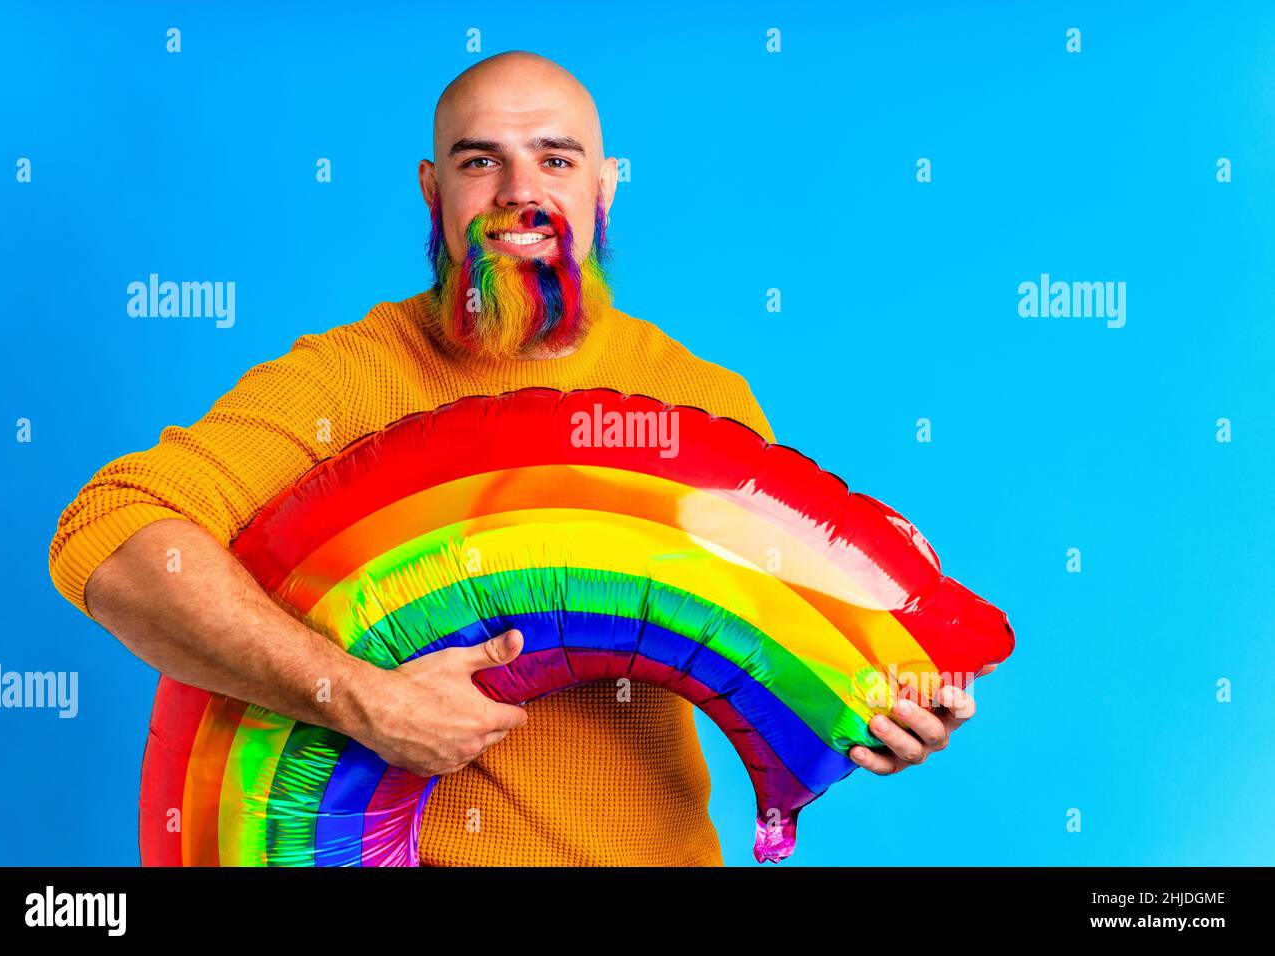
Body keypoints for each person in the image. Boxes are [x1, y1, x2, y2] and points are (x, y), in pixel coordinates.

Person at [48, 50, 984, 866]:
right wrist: (360, 697)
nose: (518, 191)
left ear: (605, 185)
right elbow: (111, 536)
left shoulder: (699, 402)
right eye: (480, 160)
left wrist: (880, 700)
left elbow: (786, 626)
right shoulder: (345, 382)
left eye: (556, 158)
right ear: (433, 189)